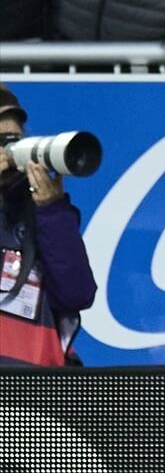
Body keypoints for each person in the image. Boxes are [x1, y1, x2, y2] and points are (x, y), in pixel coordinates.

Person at [0, 85, 95, 367]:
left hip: (36, 392)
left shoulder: (42, 214)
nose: (7, 150)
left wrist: (51, 210)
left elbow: (77, 294)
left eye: (13, 139)